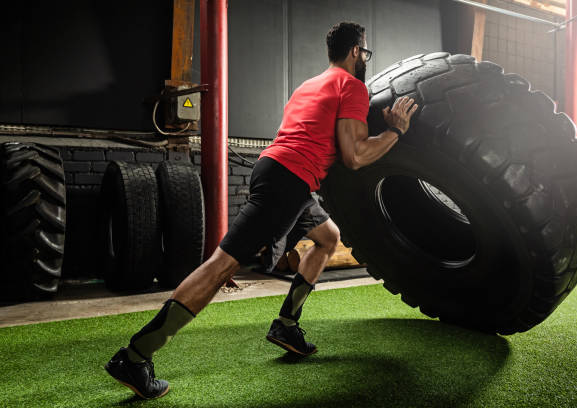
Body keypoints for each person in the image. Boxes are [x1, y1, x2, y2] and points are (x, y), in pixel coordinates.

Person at [104, 21, 419, 400]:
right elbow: (353, 156)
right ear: (355, 51)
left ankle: (286, 324)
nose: (365, 59)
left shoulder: (310, 84)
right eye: (365, 53)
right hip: (288, 180)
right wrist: (396, 132)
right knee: (220, 267)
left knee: (327, 238)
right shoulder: (350, 86)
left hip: (277, 171)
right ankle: (136, 356)